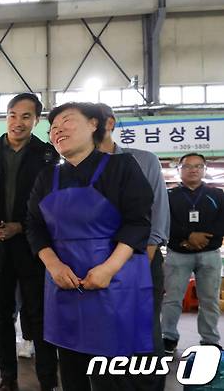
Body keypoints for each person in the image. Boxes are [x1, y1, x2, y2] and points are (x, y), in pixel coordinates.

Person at [26, 102, 155, 391]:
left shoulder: (121, 167)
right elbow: (33, 226)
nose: (58, 130)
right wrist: (54, 265)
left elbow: (138, 222)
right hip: (64, 284)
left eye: (67, 122)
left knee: (113, 375)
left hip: (114, 283)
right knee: (72, 372)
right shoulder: (47, 178)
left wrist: (108, 269)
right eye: (53, 128)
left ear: (93, 125)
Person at [0, 93, 59, 391]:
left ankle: (47, 380)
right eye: (13, 115)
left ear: (37, 120)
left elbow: (52, 204)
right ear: (6, 116)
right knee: (1, 315)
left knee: (39, 317)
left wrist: (21, 227)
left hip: (33, 249)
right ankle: (8, 379)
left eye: (26, 116)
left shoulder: (47, 156)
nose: (18, 122)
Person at [97, 103, 169, 389]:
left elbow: (157, 218)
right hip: (97, 269)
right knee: (106, 339)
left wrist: (137, 266)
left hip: (142, 263)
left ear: (109, 123)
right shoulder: (75, 169)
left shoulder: (143, 160)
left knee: (145, 335)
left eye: (93, 121)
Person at [161, 153, 224, 354]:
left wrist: (205, 239)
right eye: (188, 166)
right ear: (179, 169)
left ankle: (210, 340)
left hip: (210, 254)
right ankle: (168, 337)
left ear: (204, 169)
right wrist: (188, 237)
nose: (193, 169)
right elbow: (164, 222)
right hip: (178, 253)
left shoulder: (218, 195)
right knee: (172, 298)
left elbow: (221, 222)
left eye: (198, 166)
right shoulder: (167, 195)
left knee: (209, 300)